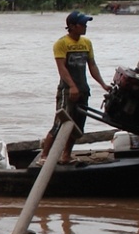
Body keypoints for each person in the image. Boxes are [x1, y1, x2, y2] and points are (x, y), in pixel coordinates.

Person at [40, 11, 111, 165]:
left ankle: (66, 155)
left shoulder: (86, 43)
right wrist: (72, 86)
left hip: (83, 89)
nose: (85, 27)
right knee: (59, 124)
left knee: (77, 126)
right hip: (67, 90)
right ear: (72, 26)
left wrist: (103, 84)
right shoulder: (62, 43)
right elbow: (62, 68)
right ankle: (44, 156)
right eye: (82, 24)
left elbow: (92, 65)